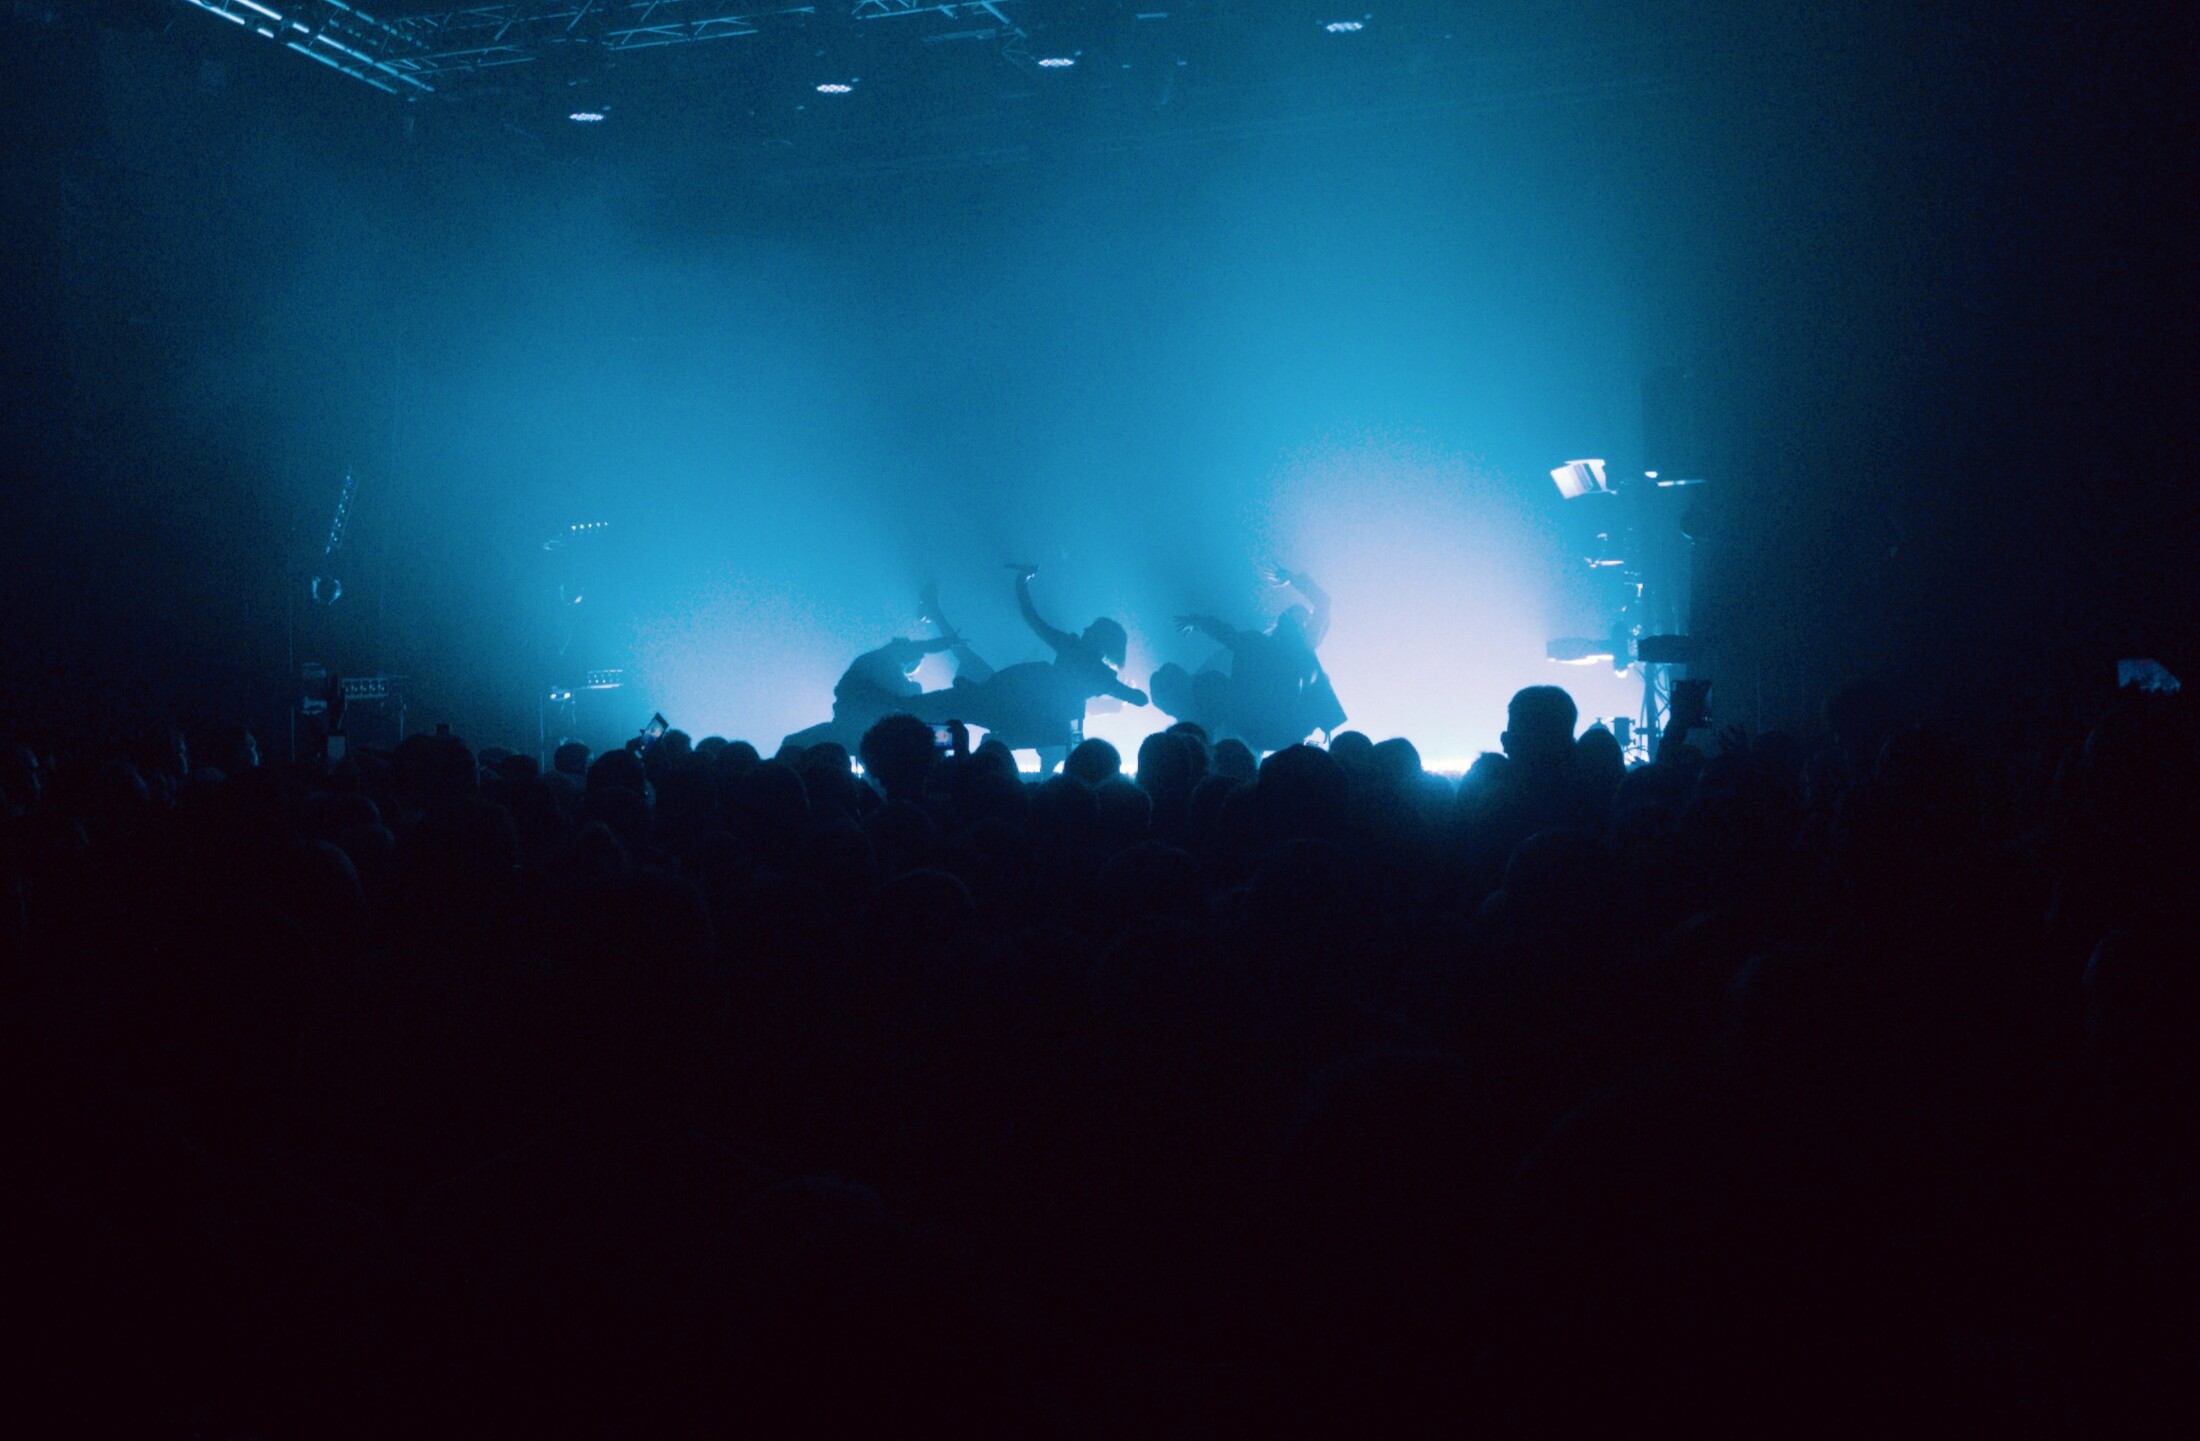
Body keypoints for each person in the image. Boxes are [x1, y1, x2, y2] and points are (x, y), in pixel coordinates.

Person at [915, 566, 1148, 775]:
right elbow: (1138, 700)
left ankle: (921, 745)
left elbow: (1031, 617)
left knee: (947, 705)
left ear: (1099, 639)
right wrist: (1119, 690)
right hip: (1014, 709)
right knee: (955, 702)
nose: (1085, 629)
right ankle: (929, 746)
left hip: (1007, 699)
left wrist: (1021, 583)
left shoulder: (1071, 650)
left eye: (1092, 629)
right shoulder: (1095, 677)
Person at [1171, 566, 1346, 753]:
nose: (1299, 619)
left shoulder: (1267, 645)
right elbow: (1227, 635)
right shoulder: (1294, 648)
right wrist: (1293, 580)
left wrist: (1199, 622)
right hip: (1274, 730)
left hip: (1258, 729)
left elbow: (1227, 634)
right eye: (1297, 616)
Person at [781, 629, 966, 754]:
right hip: (863, 731)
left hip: (866, 730)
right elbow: (909, 702)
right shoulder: (883, 665)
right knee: (950, 736)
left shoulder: (877, 663)